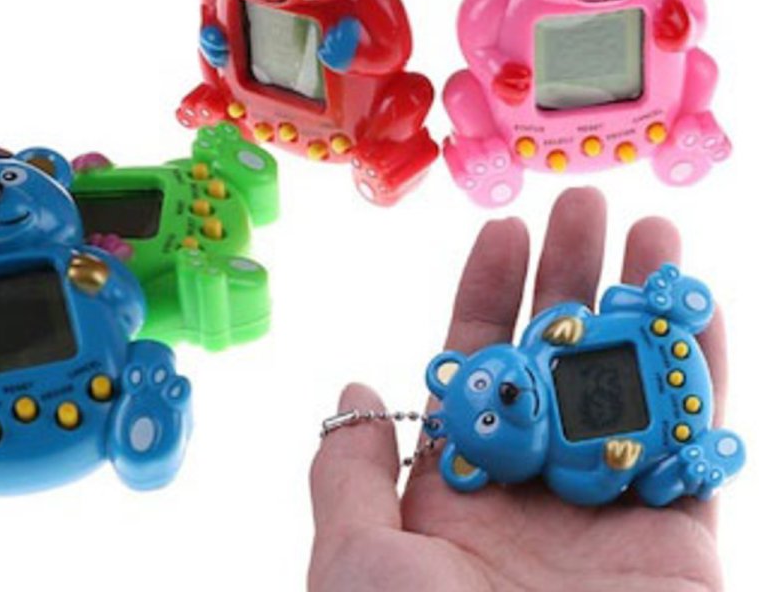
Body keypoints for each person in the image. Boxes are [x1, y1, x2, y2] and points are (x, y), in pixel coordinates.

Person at [309, 188, 728, 591]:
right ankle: (694, 466)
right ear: (472, 469)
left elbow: (572, 312)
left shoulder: (541, 342)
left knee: (615, 300)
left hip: (656, 334)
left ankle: (665, 304)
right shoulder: (561, 469)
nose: (505, 395)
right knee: (655, 488)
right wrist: (613, 470)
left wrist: (574, 323)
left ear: (451, 370)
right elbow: (595, 486)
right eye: (490, 420)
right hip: (679, 430)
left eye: (482, 383)